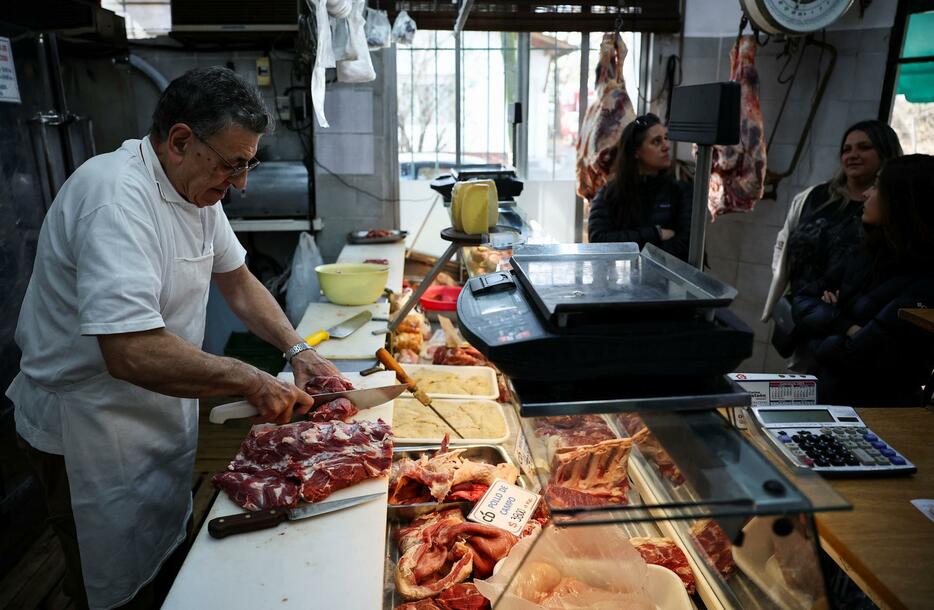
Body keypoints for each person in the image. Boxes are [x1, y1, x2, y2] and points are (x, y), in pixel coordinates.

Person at [6, 67, 341, 609]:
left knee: (164, 563)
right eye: (233, 165)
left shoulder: (195, 190)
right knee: (104, 585)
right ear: (181, 141)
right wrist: (252, 380)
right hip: (91, 428)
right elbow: (131, 351)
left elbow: (237, 281)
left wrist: (297, 350)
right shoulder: (114, 198)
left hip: (156, 417)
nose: (241, 184)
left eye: (248, 165)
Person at [791, 154, 934, 406]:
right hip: (827, 396)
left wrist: (827, 320)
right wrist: (846, 326)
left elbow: (856, 356)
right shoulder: (870, 253)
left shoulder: (925, 281)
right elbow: (801, 299)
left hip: (878, 413)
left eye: (877, 186)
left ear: (902, 200)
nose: (866, 194)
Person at [762, 120, 903, 364]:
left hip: (848, 322)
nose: (853, 155)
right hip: (805, 311)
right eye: (847, 149)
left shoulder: (888, 209)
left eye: (863, 147)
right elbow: (783, 245)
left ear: (885, 152)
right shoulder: (812, 197)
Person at [587, 113, 693, 261]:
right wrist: (656, 234)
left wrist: (636, 251)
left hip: (667, 281)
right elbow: (599, 240)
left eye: (666, 138)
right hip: (621, 280)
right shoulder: (610, 193)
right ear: (636, 151)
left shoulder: (681, 192)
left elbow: (686, 246)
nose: (666, 146)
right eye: (656, 142)